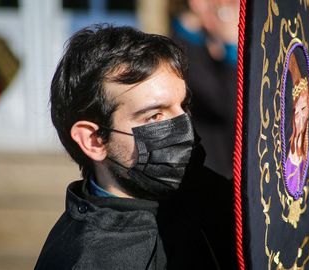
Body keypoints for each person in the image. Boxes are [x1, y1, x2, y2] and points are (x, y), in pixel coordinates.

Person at [35, 24, 236, 269]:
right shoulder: (87, 260)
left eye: (184, 105)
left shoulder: (204, 191)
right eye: (154, 116)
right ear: (94, 140)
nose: (183, 124)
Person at [170, 0, 239, 178]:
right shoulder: (176, 54)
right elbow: (229, 106)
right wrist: (232, 44)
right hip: (212, 173)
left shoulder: (212, 41)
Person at [284, 53, 309, 199]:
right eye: (297, 110)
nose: (300, 116)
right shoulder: (284, 152)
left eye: (304, 109)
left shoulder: (304, 153)